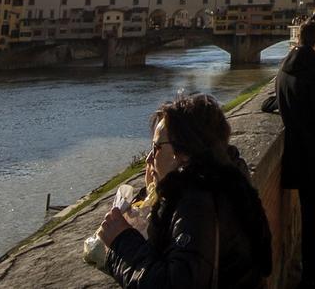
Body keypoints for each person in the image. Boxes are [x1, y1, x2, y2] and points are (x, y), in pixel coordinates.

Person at [100, 93, 273, 289]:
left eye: (156, 148)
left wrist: (121, 242)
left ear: (183, 154)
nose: (148, 158)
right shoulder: (228, 180)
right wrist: (155, 192)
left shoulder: (197, 203)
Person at [276, 20, 315, 289]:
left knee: (308, 219)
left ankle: (308, 274)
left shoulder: (284, 70)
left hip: (296, 156)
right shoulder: (313, 71)